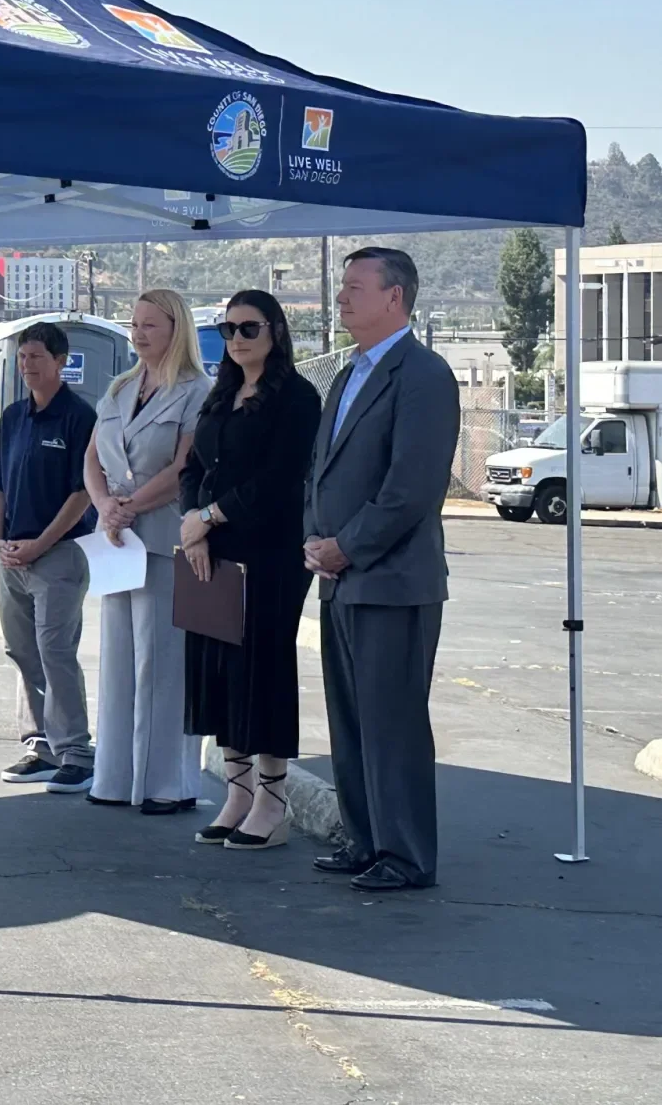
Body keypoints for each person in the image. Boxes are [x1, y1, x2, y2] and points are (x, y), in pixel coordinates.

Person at [303, 246, 460, 892]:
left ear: (394, 298)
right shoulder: (347, 374)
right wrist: (315, 540)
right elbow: (324, 470)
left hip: (392, 582)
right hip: (341, 578)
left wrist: (347, 546)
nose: (341, 298)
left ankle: (406, 854)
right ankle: (364, 839)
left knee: (392, 722)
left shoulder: (423, 374)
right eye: (342, 287)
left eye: (355, 288)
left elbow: (413, 487)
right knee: (351, 720)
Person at [177, 290, 322, 849]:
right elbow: (193, 465)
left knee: (263, 673)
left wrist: (209, 517)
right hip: (211, 551)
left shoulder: (296, 398)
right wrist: (195, 519)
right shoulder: (222, 394)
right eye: (228, 329)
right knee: (221, 673)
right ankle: (237, 793)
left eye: (249, 328)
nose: (237, 339)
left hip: (270, 555)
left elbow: (282, 477)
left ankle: (272, 800)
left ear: (276, 332)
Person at [83, 290, 210, 813]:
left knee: (162, 662)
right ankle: (114, 778)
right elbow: (91, 458)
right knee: (118, 662)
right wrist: (105, 507)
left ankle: (166, 784)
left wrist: (128, 505)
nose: (138, 333)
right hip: (117, 540)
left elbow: (184, 466)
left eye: (150, 325)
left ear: (175, 329)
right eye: (134, 324)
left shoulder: (197, 391)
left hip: (163, 539)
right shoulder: (119, 387)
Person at [0, 322, 101, 793]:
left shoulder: (79, 418)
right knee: (22, 649)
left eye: (36, 357)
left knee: (55, 650)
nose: (27, 366)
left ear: (60, 361)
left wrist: (41, 544)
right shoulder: (13, 417)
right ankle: (42, 745)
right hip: (12, 555)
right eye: (21, 358)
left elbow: (83, 494)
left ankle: (76, 751)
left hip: (58, 554)